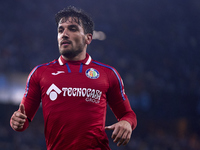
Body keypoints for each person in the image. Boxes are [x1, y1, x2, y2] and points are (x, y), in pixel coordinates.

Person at [10, 6, 137, 150]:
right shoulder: (40, 73)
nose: (64, 34)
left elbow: (128, 114)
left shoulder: (108, 74)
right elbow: (23, 120)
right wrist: (17, 121)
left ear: (88, 38)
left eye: (72, 29)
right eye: (60, 30)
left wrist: (127, 123)